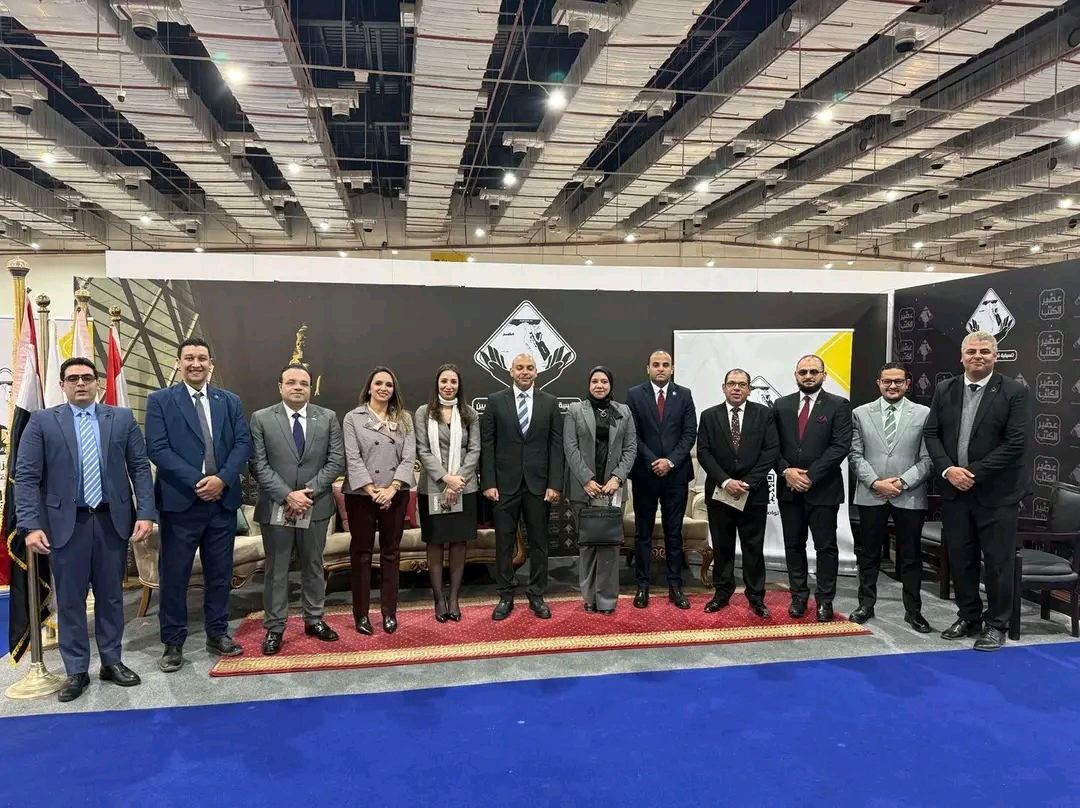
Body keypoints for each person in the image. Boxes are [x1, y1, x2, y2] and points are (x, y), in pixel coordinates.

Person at [14, 357, 155, 703]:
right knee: (71, 601)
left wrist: (146, 512)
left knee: (111, 597)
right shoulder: (42, 421)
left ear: (98, 384)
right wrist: (30, 525)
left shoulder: (121, 418)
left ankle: (112, 661)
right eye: (73, 378)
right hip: (66, 525)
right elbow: (27, 477)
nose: (81, 383)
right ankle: (76, 670)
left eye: (87, 378)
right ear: (62, 384)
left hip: (111, 521)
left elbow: (139, 467)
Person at [145, 337, 251, 673]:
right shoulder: (160, 400)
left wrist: (222, 479)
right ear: (179, 363)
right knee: (174, 576)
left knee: (219, 574)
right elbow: (157, 448)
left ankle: (217, 634)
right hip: (181, 504)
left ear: (210, 364)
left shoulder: (229, 401)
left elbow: (242, 443)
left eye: (202, 358)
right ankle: (173, 642)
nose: (196, 364)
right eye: (189, 358)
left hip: (222, 502)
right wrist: (199, 481)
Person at [923, 331, 1030, 651]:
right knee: (961, 559)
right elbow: (932, 433)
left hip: (997, 495)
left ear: (995, 356)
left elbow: (1015, 443)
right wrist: (948, 469)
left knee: (997, 563)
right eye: (971, 351)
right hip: (955, 493)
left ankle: (996, 624)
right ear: (962, 356)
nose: (977, 356)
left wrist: (972, 472)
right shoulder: (945, 389)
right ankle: (968, 616)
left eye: (984, 351)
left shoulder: (1014, 391)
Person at [249, 363, 345, 655]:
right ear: (280, 387)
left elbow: (336, 461)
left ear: (311, 388)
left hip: (315, 506)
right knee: (276, 570)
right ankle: (275, 627)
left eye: (304, 383)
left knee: (314, 566)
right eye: (291, 382)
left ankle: (314, 619)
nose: (298, 387)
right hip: (277, 506)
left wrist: (306, 494)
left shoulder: (327, 417)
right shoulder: (261, 418)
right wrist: (287, 495)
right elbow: (258, 465)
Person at [849, 363, 933, 632]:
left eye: (898, 381)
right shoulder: (860, 413)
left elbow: (928, 458)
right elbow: (855, 454)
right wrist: (876, 482)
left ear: (908, 383)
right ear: (879, 383)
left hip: (909, 495)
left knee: (910, 556)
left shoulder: (924, 414)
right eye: (887, 381)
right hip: (871, 493)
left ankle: (913, 611)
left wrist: (902, 482)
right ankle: (865, 605)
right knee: (869, 554)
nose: (892, 386)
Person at [481, 353, 563, 621]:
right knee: (504, 543)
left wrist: (554, 483)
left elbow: (556, 446)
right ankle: (505, 595)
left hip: (539, 486)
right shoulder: (495, 401)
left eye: (529, 368)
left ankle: (536, 594)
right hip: (504, 485)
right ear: (511, 371)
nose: (525, 372)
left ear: (536, 372)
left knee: (539, 543)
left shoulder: (550, 402)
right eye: (520, 368)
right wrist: (489, 482)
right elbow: (488, 444)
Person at [773, 354, 852, 622]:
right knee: (793, 545)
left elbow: (840, 446)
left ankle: (825, 600)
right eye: (803, 372)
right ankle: (798, 596)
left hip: (823, 489)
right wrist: (786, 471)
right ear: (796, 375)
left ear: (824, 375)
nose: (808, 376)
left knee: (825, 547)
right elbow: (771, 446)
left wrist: (810, 476)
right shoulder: (781, 405)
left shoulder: (839, 405)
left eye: (814, 372)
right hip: (789, 488)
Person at [696, 368, 778, 619]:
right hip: (720, 493)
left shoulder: (764, 414)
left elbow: (771, 451)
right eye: (732, 383)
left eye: (742, 384)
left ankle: (756, 596)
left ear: (749, 389)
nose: (736, 388)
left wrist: (748, 482)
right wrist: (725, 481)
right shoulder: (709, 415)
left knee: (753, 547)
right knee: (722, 546)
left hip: (753, 493)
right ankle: (722, 593)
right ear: (723, 388)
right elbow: (704, 452)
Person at [342, 367, 416, 636]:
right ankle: (361, 614)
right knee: (361, 554)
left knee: (391, 553)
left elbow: (409, 457)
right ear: (370, 387)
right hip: (361, 495)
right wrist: (371, 489)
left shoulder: (405, 418)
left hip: (395, 494)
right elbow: (352, 457)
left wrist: (392, 488)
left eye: (389, 384)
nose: (384, 388)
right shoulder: (353, 418)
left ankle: (389, 612)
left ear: (394, 390)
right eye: (379, 383)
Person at [625, 350, 697, 610]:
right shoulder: (634, 395)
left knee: (673, 533)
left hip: (676, 475)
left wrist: (670, 461)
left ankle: (675, 586)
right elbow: (632, 434)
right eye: (656, 364)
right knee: (643, 534)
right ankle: (642, 586)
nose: (661, 368)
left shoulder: (684, 394)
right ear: (648, 368)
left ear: (672, 369)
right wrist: (654, 460)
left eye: (665, 365)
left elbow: (690, 433)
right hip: (645, 474)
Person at [563, 366, 637, 614]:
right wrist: (586, 479)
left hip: (612, 490)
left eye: (604, 381)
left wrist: (617, 478)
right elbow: (570, 448)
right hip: (583, 489)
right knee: (587, 545)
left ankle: (606, 600)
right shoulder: (575, 411)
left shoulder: (623, 411)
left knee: (609, 546)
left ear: (610, 385)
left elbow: (630, 448)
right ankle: (589, 597)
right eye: (595, 381)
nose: (599, 385)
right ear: (588, 384)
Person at [415, 364, 481, 622]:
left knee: (458, 543)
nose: (448, 386)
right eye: (444, 381)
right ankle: (438, 599)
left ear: (459, 385)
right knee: (435, 543)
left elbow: (474, 450)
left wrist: (457, 481)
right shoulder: (423, 413)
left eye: (453, 381)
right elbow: (422, 449)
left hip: (465, 487)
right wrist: (446, 480)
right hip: (433, 487)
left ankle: (453, 598)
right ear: (437, 384)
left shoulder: (469, 413)